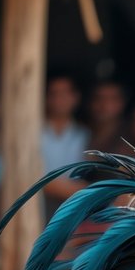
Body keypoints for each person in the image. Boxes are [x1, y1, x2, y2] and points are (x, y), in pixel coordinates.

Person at [39, 73, 89, 213]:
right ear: (46, 98)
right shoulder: (34, 133)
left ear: (75, 98)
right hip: (38, 208)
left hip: (74, 211)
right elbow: (38, 181)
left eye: (65, 93)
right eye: (54, 94)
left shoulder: (84, 135)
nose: (59, 99)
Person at [85, 79, 131, 155]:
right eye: (99, 98)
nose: (104, 105)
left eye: (112, 99)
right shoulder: (81, 133)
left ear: (122, 103)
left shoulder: (132, 137)